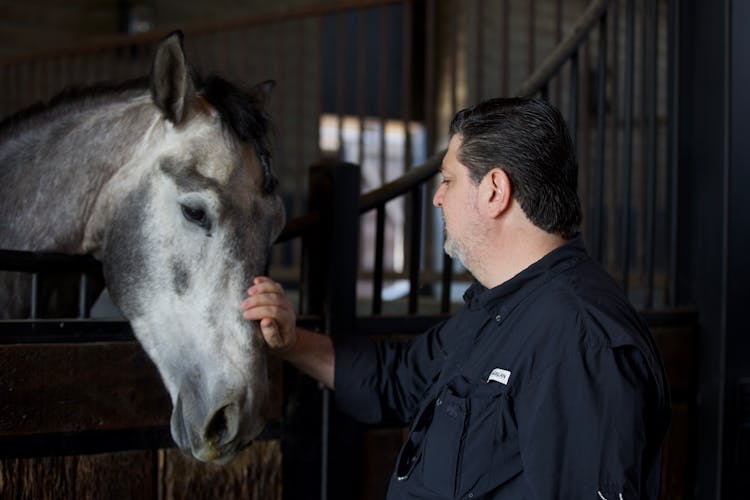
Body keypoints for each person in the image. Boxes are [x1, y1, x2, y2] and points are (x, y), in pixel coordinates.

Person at [241, 97, 671, 499]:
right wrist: (293, 342)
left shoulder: (578, 340)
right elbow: (397, 380)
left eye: (448, 180)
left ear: (494, 191)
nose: (437, 197)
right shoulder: (499, 306)